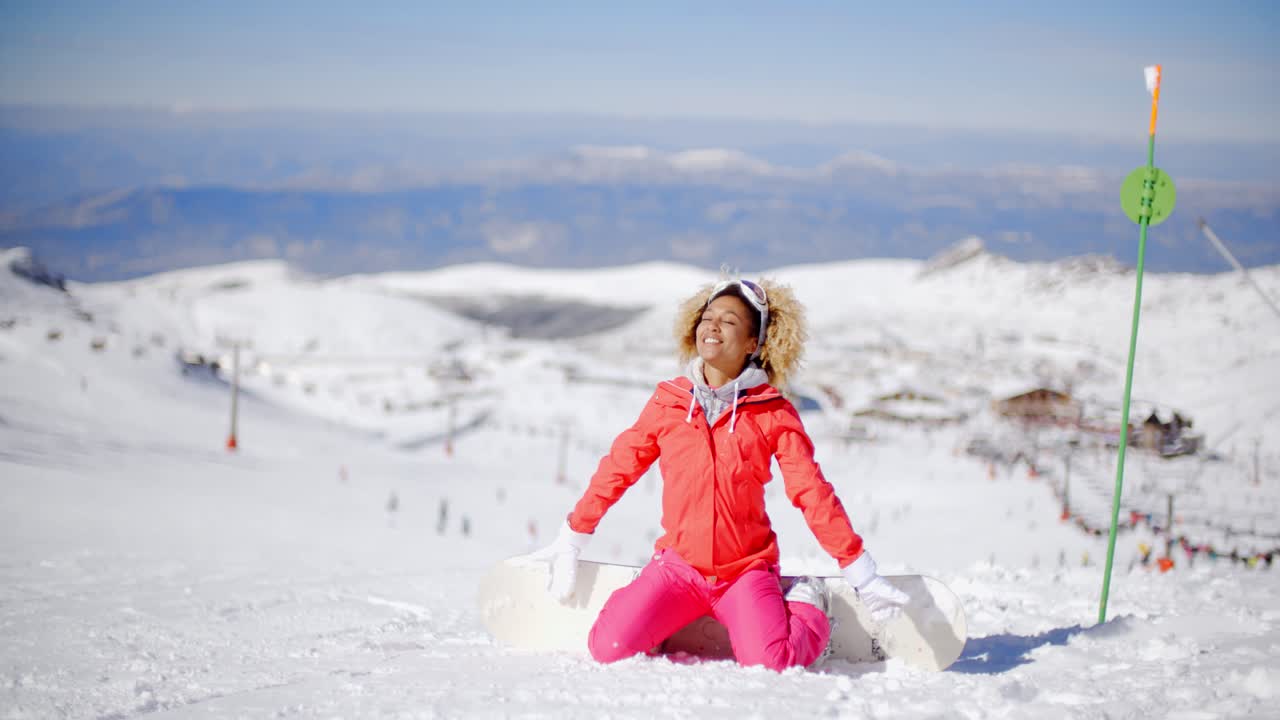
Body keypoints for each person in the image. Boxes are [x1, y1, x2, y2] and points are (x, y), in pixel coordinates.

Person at [529, 276, 909, 670]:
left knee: (771, 661)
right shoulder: (669, 403)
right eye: (707, 317)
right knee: (607, 648)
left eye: (729, 321)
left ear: (753, 344)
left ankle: (805, 600)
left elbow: (811, 492)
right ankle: (650, 611)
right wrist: (573, 536)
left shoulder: (773, 413)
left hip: (744, 572)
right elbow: (618, 468)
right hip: (678, 569)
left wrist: (858, 569)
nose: (712, 325)